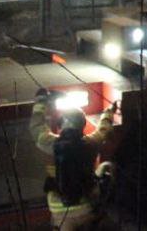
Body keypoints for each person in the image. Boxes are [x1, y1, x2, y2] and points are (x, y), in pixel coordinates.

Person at [30, 88, 116, 230]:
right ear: (82, 126)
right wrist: (108, 112)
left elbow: (36, 126)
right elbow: (104, 129)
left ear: (60, 125)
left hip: (59, 210)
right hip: (87, 208)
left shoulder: (49, 143)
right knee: (107, 167)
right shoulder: (92, 143)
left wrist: (40, 101)